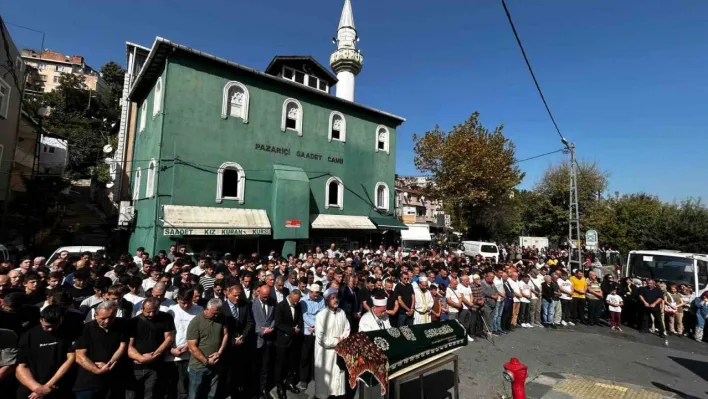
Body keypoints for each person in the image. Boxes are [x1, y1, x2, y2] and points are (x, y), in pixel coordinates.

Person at [15, 305, 83, 399]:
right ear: (41, 319)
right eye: (47, 326)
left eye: (54, 326)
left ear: (61, 319)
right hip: (32, 389)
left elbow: (71, 358)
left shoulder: (68, 334)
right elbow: (20, 366)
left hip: (60, 388)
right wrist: (38, 388)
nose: (50, 329)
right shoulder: (28, 336)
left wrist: (49, 385)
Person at [72, 301, 129, 399]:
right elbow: (79, 356)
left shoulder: (121, 325)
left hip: (113, 382)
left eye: (111, 318)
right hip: (89, 384)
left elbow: (122, 347)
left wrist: (108, 365)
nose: (107, 321)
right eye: (103, 318)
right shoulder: (85, 329)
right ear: (95, 315)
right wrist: (97, 370)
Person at [126, 296, 175, 399]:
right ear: (142, 309)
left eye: (154, 311)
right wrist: (142, 358)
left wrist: (154, 355)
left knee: (151, 394)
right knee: (132, 395)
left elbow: (169, 338)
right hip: (135, 367)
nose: (151, 314)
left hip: (155, 366)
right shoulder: (134, 322)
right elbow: (129, 346)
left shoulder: (166, 318)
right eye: (148, 312)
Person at [186, 298, 228, 399]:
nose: (216, 315)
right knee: (195, 394)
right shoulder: (196, 322)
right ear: (207, 309)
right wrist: (206, 361)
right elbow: (192, 347)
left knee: (212, 394)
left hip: (216, 363)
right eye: (214, 313)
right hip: (198, 366)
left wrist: (219, 352)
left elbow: (225, 334)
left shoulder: (221, 318)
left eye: (218, 313)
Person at [314, 288, 351, 399]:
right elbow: (321, 338)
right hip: (325, 354)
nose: (335, 300)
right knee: (325, 383)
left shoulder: (342, 312)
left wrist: (342, 339)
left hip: (339, 352)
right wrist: (336, 341)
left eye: (336, 297)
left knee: (338, 381)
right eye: (332, 298)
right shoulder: (320, 316)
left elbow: (347, 328)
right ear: (326, 301)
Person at [166, 288, 202, 399]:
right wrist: (171, 350)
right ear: (178, 299)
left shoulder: (199, 310)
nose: (186, 305)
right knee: (175, 384)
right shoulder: (171, 311)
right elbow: (167, 332)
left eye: (188, 302)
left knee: (188, 384)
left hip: (191, 352)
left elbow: (200, 330)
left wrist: (189, 346)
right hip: (174, 353)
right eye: (183, 303)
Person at [220, 284, 253, 398]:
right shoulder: (222, 308)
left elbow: (249, 322)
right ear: (228, 293)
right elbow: (220, 328)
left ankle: (239, 390)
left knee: (241, 369)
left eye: (239, 296)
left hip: (242, 343)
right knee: (229, 371)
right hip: (228, 345)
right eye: (235, 296)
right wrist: (231, 340)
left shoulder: (244, 305)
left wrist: (243, 336)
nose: (237, 298)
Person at [358, 295, 391, 399]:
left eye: (385, 310)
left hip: (383, 355)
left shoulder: (385, 316)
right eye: (382, 311)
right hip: (370, 358)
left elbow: (388, 330)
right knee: (371, 388)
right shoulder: (365, 319)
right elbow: (366, 340)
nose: (384, 313)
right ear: (375, 308)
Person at [274, 289, 304, 399]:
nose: (296, 303)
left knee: (293, 363)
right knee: (280, 364)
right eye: (295, 301)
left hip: (294, 340)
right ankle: (279, 386)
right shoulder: (280, 306)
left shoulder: (298, 305)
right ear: (290, 297)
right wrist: (291, 330)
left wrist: (298, 328)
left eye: (298, 301)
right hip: (282, 341)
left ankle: (289, 382)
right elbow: (278, 323)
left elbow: (300, 319)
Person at [252, 282, 277, 399]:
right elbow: (253, 322)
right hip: (257, 340)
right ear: (259, 293)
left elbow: (274, 318)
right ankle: (255, 389)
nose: (266, 298)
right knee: (256, 366)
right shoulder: (253, 304)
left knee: (265, 366)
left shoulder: (272, 302)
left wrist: (270, 328)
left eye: (268, 296)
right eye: (264, 297)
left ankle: (263, 388)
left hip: (269, 339)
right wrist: (262, 331)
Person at [299, 283, 324, 391]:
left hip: (317, 330)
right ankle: (303, 379)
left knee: (317, 356)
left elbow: (323, 313)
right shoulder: (303, 300)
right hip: (307, 330)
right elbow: (304, 315)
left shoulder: (321, 299)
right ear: (310, 292)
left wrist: (317, 327)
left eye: (318, 294)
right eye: (315, 294)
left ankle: (315, 376)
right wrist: (313, 325)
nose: (316, 296)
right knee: (305, 356)